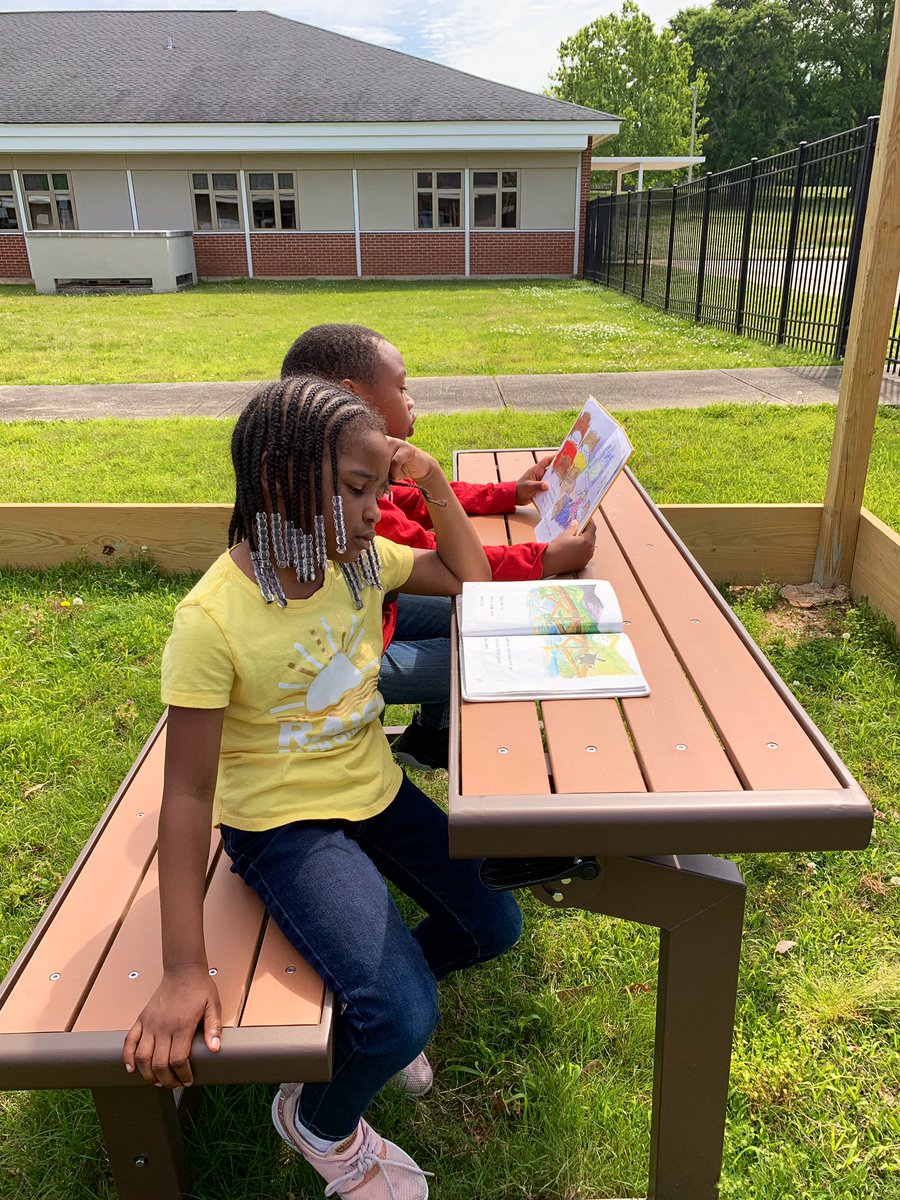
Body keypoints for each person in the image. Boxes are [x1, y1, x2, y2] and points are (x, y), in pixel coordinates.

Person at [122, 376, 522, 1200]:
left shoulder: (359, 563)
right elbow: (189, 795)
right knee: (403, 1016)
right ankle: (320, 1121)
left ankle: (376, 1009)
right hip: (283, 827)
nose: (378, 510)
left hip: (371, 791)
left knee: (494, 922)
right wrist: (182, 967)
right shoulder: (212, 621)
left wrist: (434, 483)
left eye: (382, 488)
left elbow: (469, 576)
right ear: (277, 477)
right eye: (355, 489)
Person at [281, 324, 597, 772]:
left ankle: (433, 735)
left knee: (473, 615)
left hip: (371, 612)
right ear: (354, 396)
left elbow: (416, 500)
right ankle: (503, 767)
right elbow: (445, 554)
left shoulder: (338, 463)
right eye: (401, 387)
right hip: (340, 662)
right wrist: (546, 558)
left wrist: (508, 493)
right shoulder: (346, 502)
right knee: (490, 651)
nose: (410, 399)